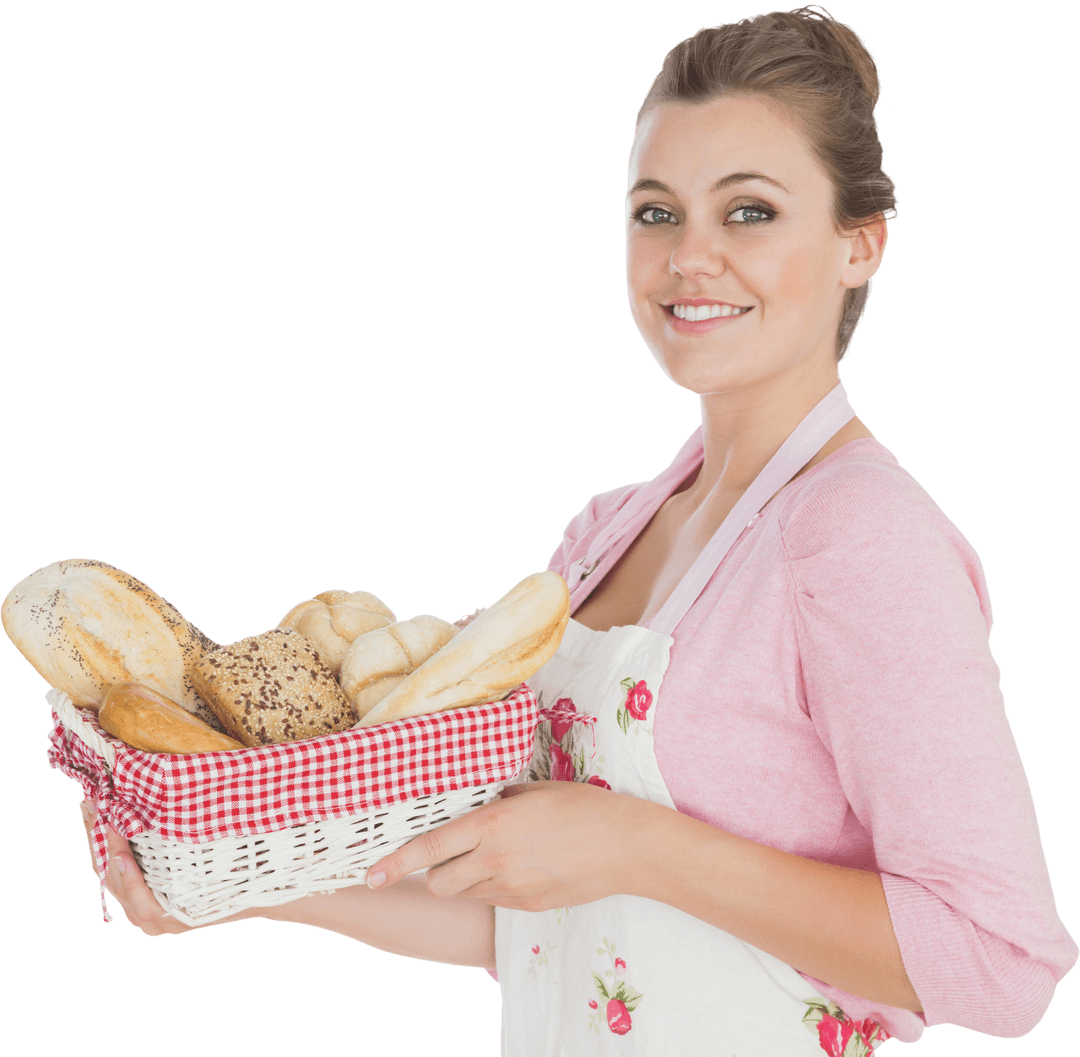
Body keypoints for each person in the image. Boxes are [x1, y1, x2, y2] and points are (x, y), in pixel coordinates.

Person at [80, 5, 1077, 1052]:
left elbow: (1002, 960)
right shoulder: (609, 532)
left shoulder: (859, 538)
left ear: (858, 245)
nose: (692, 257)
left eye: (749, 213)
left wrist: (637, 848)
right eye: (657, 213)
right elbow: (534, 918)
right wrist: (245, 884)